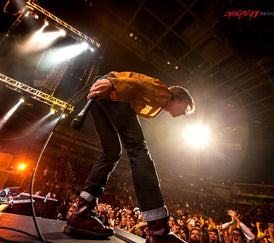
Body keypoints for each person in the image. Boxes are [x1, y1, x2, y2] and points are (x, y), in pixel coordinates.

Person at [63, 71, 195, 242]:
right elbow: (139, 85)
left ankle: (81, 213)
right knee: (138, 150)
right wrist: (113, 85)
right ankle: (159, 230)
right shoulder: (164, 94)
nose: (183, 114)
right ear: (180, 99)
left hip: (100, 95)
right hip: (112, 92)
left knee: (111, 153)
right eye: (185, 109)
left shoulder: (158, 102)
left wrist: (109, 84)